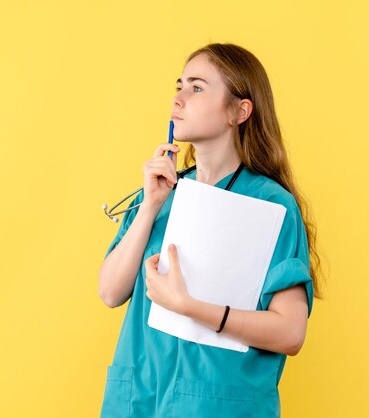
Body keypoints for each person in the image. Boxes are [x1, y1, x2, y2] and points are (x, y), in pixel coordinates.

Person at [98, 43, 322, 418]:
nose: (179, 97)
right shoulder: (159, 192)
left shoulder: (271, 204)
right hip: (138, 401)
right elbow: (110, 291)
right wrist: (150, 204)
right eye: (179, 84)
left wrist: (191, 308)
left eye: (197, 87)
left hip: (215, 406)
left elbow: (290, 332)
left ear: (239, 110)